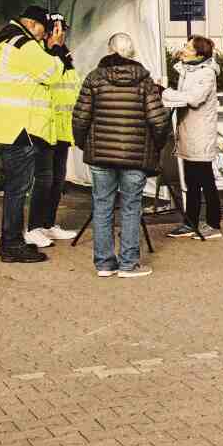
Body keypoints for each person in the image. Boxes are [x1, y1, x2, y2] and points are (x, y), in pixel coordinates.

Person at [71, 32, 171, 278]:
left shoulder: (94, 78)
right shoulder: (145, 81)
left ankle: (104, 264)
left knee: (102, 206)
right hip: (136, 156)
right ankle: (128, 264)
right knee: (130, 208)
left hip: (100, 156)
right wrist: (154, 147)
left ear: (109, 49)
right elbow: (159, 122)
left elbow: (80, 117)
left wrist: (86, 145)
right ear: (132, 52)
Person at [0, 5, 62, 264]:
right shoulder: (23, 45)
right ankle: (12, 244)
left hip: (8, 126)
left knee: (14, 188)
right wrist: (55, 48)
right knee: (18, 189)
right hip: (21, 128)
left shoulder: (5, 44)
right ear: (31, 24)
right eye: (43, 29)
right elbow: (53, 74)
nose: (44, 35)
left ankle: (8, 240)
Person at [161, 35, 223, 240]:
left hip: (200, 134)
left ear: (199, 53)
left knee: (205, 179)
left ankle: (214, 224)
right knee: (191, 180)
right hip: (189, 133)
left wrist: (165, 93)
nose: (183, 49)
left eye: (188, 47)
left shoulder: (206, 74)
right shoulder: (187, 70)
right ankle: (191, 222)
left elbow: (194, 99)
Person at [29, 13, 80, 244]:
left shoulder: (65, 56)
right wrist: (55, 51)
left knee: (58, 180)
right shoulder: (40, 54)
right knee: (44, 180)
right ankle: (34, 228)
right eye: (57, 29)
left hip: (62, 128)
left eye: (63, 30)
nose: (61, 34)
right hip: (43, 127)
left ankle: (48, 225)